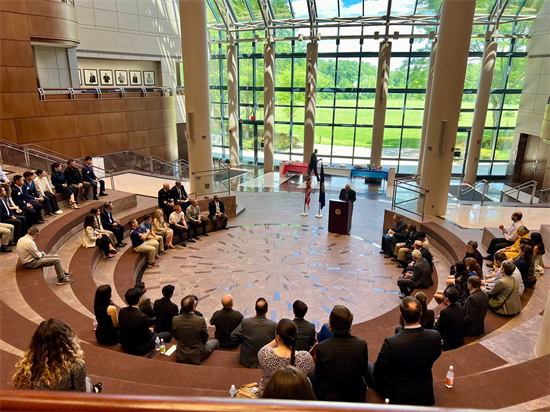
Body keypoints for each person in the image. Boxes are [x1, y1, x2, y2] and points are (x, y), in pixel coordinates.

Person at [373, 297, 441, 406]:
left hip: (400, 394)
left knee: (370, 368)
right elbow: (436, 354)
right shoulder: (435, 336)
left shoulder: (392, 342)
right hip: (425, 392)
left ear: (401, 315)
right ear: (421, 314)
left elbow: (379, 371)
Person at [11, 319, 102, 393]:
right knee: (88, 381)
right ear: (66, 342)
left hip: (39, 406)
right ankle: (96, 391)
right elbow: (81, 397)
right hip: (63, 407)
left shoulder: (29, 363)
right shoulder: (77, 366)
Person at [313, 305, 368, 403]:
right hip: (355, 395)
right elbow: (363, 371)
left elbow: (319, 376)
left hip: (331, 397)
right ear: (350, 324)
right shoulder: (362, 345)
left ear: (331, 325)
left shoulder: (322, 348)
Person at [258, 319, 315, 395]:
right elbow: (311, 373)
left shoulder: (265, 354)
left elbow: (263, 349)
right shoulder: (305, 357)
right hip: (296, 399)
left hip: (270, 397)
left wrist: (277, 339)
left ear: (278, 337)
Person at [119, 288, 170, 356]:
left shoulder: (122, 311)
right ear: (139, 299)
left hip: (125, 344)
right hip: (138, 348)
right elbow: (148, 336)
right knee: (167, 334)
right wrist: (152, 332)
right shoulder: (141, 317)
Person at [231, 298, 277, 368]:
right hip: (266, 360)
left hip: (247, 360)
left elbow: (233, 335)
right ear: (267, 310)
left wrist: (242, 341)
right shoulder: (274, 325)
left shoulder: (246, 322)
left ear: (255, 308)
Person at [172, 296, 219, 364]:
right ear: (193, 307)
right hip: (197, 353)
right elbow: (205, 338)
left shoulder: (175, 319)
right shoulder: (200, 320)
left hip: (181, 352)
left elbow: (175, 336)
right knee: (216, 341)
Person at [435, 287, 464, 351]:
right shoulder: (461, 308)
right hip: (459, 336)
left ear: (447, 299)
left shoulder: (445, 312)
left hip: (449, 339)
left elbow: (440, 327)